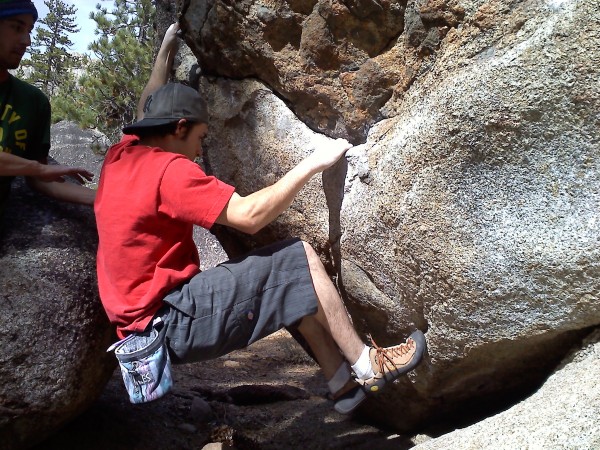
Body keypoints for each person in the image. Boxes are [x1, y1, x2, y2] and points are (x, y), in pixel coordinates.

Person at [95, 22, 426, 414]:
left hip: (141, 328)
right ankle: (368, 365)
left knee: (284, 283)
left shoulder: (122, 156)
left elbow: (147, 102)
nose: (200, 150)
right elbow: (249, 216)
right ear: (180, 127)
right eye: (200, 137)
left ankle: (341, 386)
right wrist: (313, 165)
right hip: (171, 322)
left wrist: (167, 48)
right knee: (299, 257)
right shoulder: (171, 171)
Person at [0, 0, 95, 221]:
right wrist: (38, 169)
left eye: (29, 30)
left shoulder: (33, 102)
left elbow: (39, 178)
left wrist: (100, 197)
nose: (27, 41)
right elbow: (39, 171)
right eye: (16, 27)